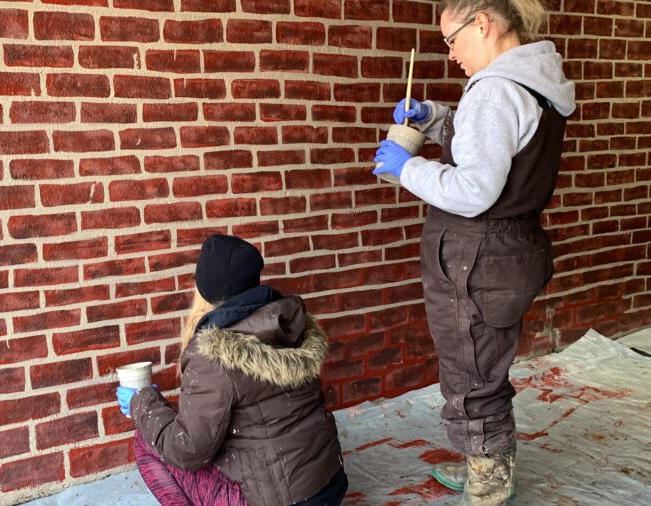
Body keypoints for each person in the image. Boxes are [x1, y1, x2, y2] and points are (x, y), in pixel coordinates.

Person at [372, 1, 575, 504]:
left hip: (476, 252)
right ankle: (492, 465)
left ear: (482, 24)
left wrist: (406, 168)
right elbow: (493, 141)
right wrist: (438, 117)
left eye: (452, 40)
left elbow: (473, 190)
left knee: (469, 374)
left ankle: (487, 484)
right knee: (486, 365)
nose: (451, 54)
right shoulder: (535, 82)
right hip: (512, 248)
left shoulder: (495, 89)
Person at [116, 234, 348, 506]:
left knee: (147, 437)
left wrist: (141, 400)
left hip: (282, 501)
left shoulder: (214, 355)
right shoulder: (287, 326)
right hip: (329, 488)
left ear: (203, 289)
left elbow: (188, 450)